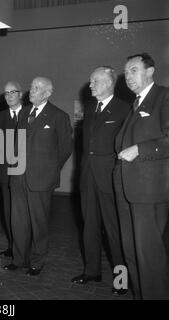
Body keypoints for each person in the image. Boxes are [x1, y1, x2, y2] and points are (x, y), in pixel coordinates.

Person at [4, 77, 72, 275]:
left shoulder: (59, 116)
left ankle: (37, 262)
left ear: (48, 93)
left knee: (39, 223)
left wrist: (48, 170)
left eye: (37, 88)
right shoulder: (24, 113)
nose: (31, 91)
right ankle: (18, 259)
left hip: (41, 180)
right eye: (31, 87)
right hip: (18, 178)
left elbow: (65, 149)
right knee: (18, 222)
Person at [114, 53, 169, 300]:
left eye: (133, 70)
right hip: (128, 191)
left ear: (150, 71)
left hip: (149, 192)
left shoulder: (163, 97)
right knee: (132, 254)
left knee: (149, 257)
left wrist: (140, 149)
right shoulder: (135, 104)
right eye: (126, 72)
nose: (128, 76)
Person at [71, 67, 130, 295]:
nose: (91, 85)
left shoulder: (124, 108)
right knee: (90, 227)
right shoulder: (90, 108)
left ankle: (121, 280)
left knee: (114, 231)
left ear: (109, 83)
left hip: (110, 180)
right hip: (87, 179)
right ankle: (92, 271)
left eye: (95, 81)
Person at [0, 81, 24, 258]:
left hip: (25, 173)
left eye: (13, 92)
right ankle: (12, 245)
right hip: (6, 171)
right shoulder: (0, 117)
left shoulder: (31, 114)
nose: (9, 96)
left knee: (22, 212)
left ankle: (24, 247)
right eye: (6, 93)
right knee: (8, 210)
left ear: (20, 94)